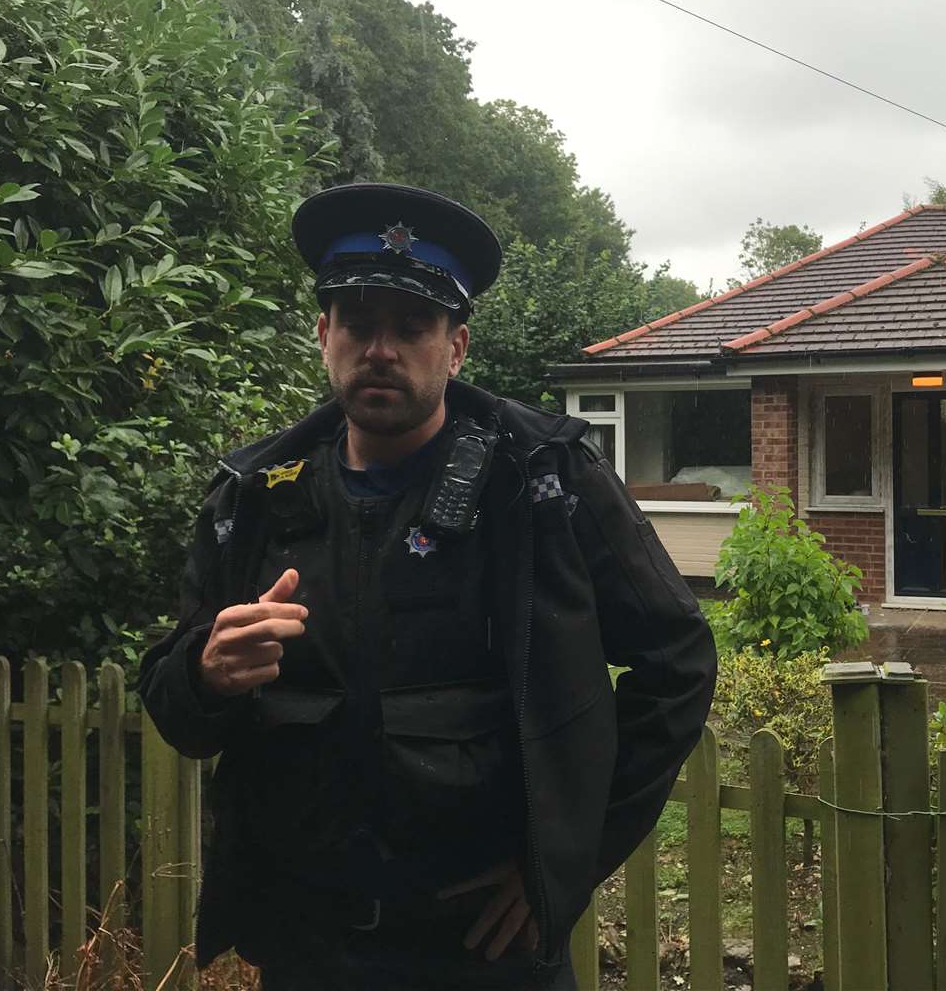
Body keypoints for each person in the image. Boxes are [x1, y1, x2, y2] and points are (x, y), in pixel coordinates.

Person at [138, 183, 717, 990]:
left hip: (484, 953)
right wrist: (208, 673)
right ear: (323, 335)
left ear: (456, 348)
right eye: (359, 323)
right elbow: (176, 708)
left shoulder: (545, 480)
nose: (382, 348)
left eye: (411, 327)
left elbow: (679, 659)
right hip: (309, 949)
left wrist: (564, 856)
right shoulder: (255, 496)